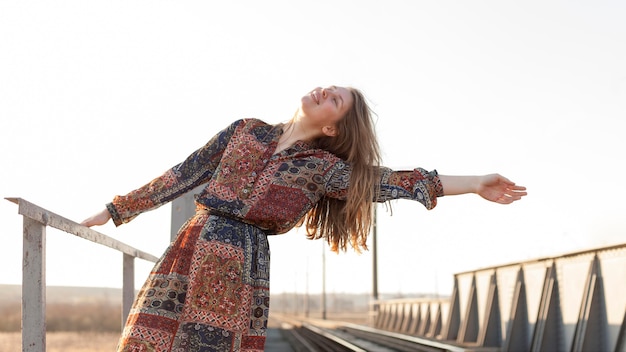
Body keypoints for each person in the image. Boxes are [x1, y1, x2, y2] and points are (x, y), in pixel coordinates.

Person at [82, 85, 526, 351]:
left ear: (332, 127)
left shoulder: (322, 168)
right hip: (191, 245)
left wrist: (473, 182)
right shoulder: (245, 130)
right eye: (328, 86)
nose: (324, 91)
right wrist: (116, 209)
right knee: (146, 341)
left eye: (335, 100)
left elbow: (392, 181)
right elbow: (185, 173)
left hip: (240, 264)